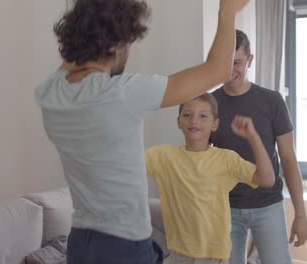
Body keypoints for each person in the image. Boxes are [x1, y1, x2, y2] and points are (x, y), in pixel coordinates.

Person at [34, 0, 250, 263]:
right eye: (127, 43)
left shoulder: (49, 92)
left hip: (80, 242)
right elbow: (218, 71)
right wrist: (227, 11)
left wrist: (89, 22)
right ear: (116, 44)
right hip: (123, 246)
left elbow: (71, 59)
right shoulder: (121, 93)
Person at [210, 29, 307, 264]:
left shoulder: (272, 101)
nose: (230, 70)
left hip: (268, 205)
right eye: (224, 63)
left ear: (249, 61)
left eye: (236, 62)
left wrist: (301, 215)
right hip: (225, 209)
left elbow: (288, 159)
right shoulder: (210, 104)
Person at [145, 93, 275, 264]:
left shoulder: (226, 159)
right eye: (187, 115)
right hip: (177, 254)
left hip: (214, 256)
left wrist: (253, 137)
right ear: (178, 121)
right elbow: (126, 166)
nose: (194, 120)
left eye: (203, 116)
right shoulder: (163, 156)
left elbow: (267, 179)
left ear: (215, 124)